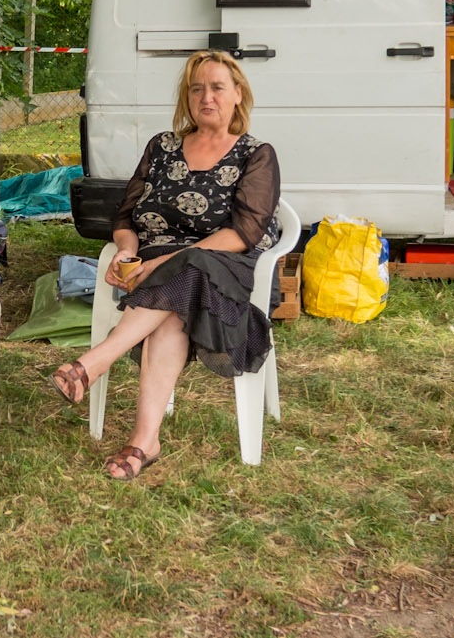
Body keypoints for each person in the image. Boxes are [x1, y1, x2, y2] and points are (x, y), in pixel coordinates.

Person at [47, 50, 281, 480]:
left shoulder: (255, 154)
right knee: (174, 309)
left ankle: (95, 363)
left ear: (237, 94)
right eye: (196, 88)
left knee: (189, 268)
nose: (205, 97)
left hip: (225, 271)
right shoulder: (162, 146)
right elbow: (126, 216)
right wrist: (124, 249)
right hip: (158, 277)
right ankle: (144, 442)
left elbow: (245, 232)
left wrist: (163, 262)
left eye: (216, 87)